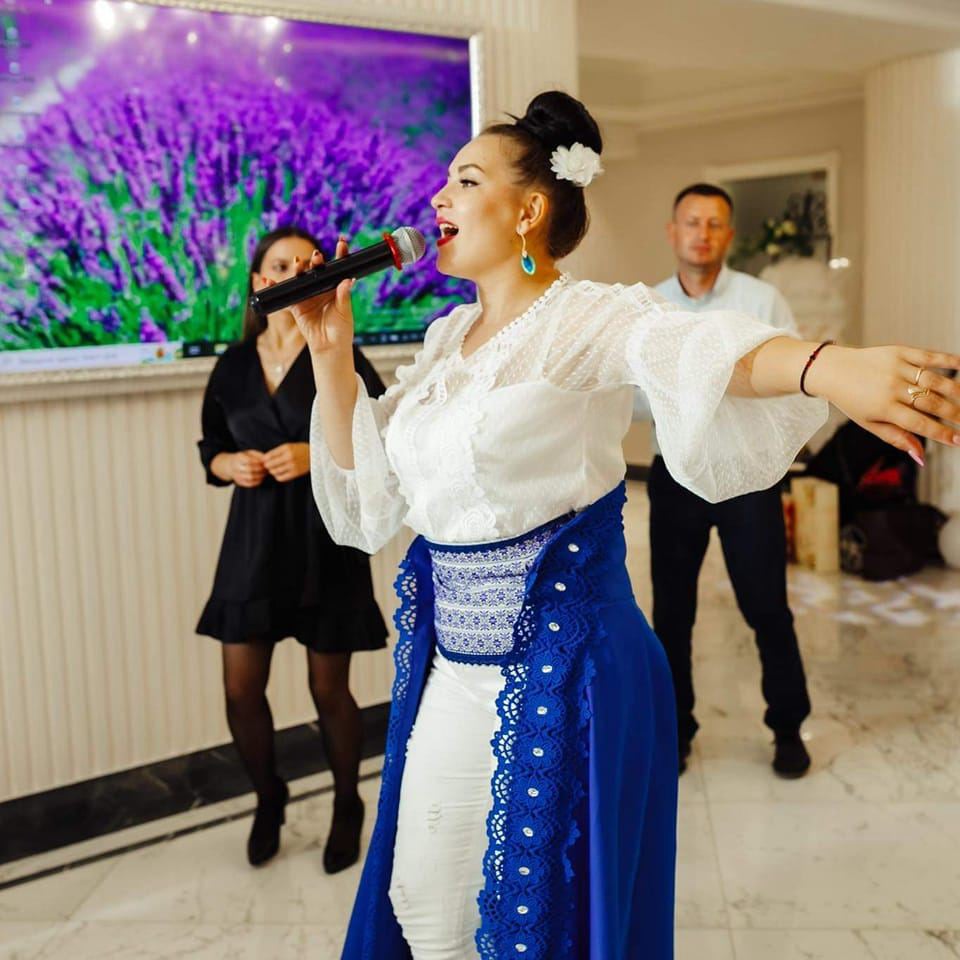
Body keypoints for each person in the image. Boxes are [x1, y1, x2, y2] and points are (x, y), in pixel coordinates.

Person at [277, 92, 959, 959]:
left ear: (528, 210)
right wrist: (330, 353)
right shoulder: (448, 338)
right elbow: (367, 496)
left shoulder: (582, 317)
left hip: (565, 668)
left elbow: (699, 350)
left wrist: (828, 367)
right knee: (422, 902)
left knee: (532, 923)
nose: (438, 198)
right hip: (453, 669)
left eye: (467, 180)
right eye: (445, 181)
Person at [196, 226, 388, 873]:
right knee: (240, 688)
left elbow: (375, 433)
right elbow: (211, 446)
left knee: (328, 689)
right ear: (258, 282)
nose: (289, 275)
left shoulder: (336, 349)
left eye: (302, 265)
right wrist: (228, 464)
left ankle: (347, 803)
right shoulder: (231, 365)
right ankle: (268, 797)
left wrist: (314, 455)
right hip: (252, 540)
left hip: (323, 535)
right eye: (278, 266)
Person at [634, 182, 814, 778]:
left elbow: (792, 381)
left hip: (749, 475)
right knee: (672, 613)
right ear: (672, 232)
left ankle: (787, 727)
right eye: (692, 222)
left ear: (729, 235)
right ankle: (675, 731)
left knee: (767, 608)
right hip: (676, 475)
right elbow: (635, 400)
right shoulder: (650, 309)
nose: (702, 234)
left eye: (714, 224)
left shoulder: (762, 301)